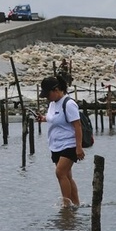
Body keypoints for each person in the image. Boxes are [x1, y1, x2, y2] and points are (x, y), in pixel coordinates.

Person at [37, 74, 84, 208]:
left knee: (60, 172)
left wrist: (79, 147)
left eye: (48, 94)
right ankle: (76, 204)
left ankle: (66, 206)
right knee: (67, 176)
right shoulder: (52, 104)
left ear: (56, 90)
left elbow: (78, 126)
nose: (47, 98)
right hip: (55, 145)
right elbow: (54, 119)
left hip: (69, 144)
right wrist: (44, 119)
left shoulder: (69, 104)